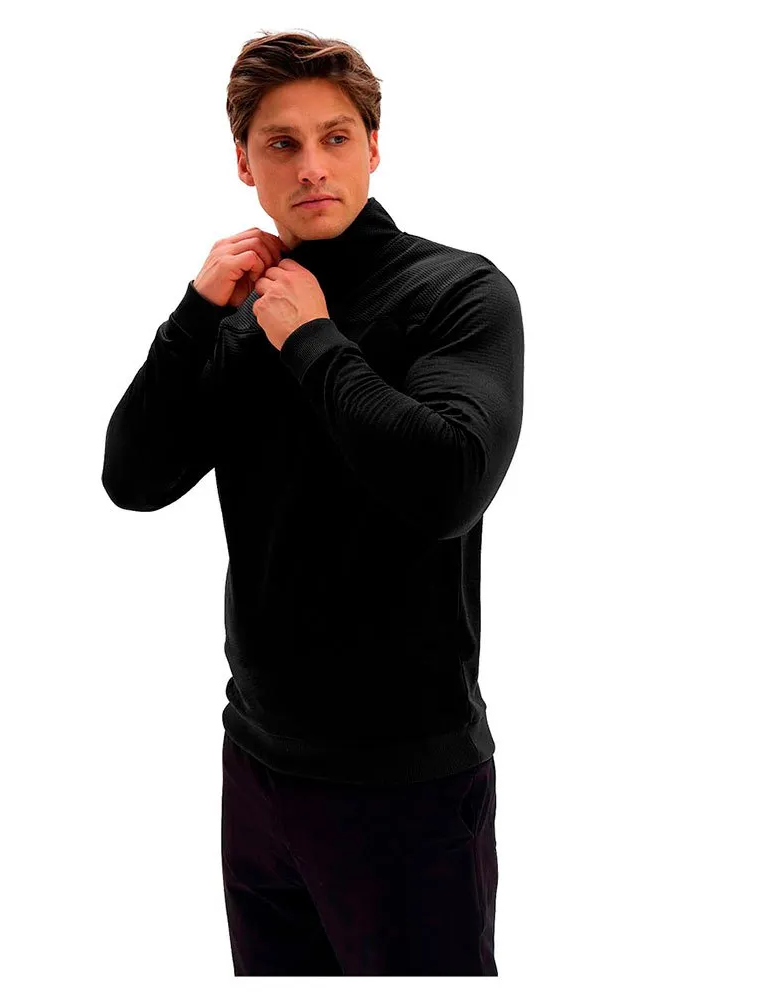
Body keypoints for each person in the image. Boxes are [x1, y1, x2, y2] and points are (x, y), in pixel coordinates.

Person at [101, 29, 524, 976]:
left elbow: (448, 483)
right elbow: (133, 478)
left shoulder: (457, 292)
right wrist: (196, 312)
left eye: (335, 138)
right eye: (281, 143)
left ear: (374, 147)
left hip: (405, 783)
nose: (312, 166)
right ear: (244, 162)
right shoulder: (243, 308)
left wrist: (314, 342)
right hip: (256, 764)